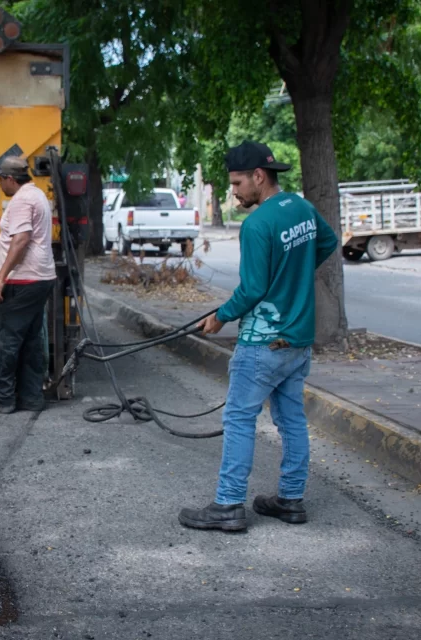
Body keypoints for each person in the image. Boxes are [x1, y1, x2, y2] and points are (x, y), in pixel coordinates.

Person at [179, 141, 338, 532]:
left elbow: (251, 290)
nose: (234, 192)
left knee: (238, 419)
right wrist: (294, 274)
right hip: (298, 342)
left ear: (258, 177)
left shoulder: (258, 225)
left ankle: (229, 504)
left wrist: (220, 317)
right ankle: (291, 499)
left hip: (262, 343)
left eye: (236, 183)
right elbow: (329, 243)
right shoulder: (301, 208)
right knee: (292, 420)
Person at [0, 156, 57, 414]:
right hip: (41, 278)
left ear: (10, 179)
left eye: (0, 179)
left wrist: (1, 278)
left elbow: (21, 240)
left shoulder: (21, 200)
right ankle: (31, 398)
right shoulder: (38, 195)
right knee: (31, 340)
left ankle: (2, 399)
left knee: (5, 341)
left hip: (23, 279)